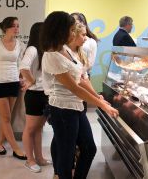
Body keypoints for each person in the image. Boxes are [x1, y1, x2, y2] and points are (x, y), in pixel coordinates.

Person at [41, 11, 118, 179]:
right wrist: (102, 105)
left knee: (89, 148)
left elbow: (81, 78)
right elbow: (74, 87)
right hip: (62, 109)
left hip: (75, 106)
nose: (72, 33)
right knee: (66, 155)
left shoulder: (66, 50)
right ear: (59, 30)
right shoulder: (51, 55)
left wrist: (98, 97)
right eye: (70, 29)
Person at [0, 17, 26, 160]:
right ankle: (16, 148)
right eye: (14, 26)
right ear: (6, 28)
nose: (17, 29)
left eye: (18, 26)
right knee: (6, 117)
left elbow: (21, 65)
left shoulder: (20, 45)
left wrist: (22, 78)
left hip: (13, 83)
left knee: (6, 118)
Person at [20, 22, 51, 173]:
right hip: (34, 94)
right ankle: (29, 159)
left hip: (45, 94)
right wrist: (31, 81)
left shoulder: (45, 49)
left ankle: (39, 157)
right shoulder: (32, 49)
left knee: (39, 128)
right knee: (30, 128)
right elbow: (23, 66)